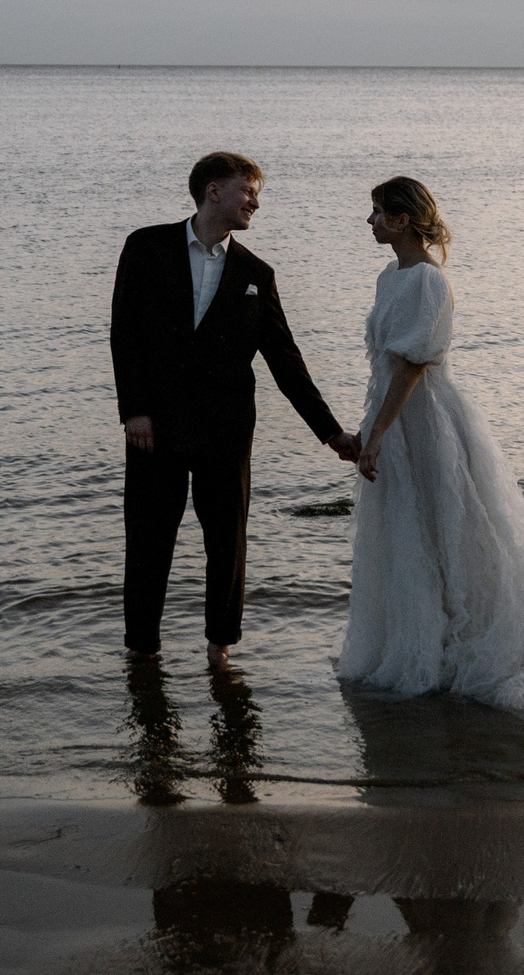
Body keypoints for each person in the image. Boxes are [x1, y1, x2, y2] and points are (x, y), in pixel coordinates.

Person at [339, 175, 524, 710]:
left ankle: (469, 647)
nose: (368, 222)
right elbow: (386, 364)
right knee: (406, 537)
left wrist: (378, 434)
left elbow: (414, 364)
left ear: (402, 220)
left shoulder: (428, 282)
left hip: (426, 419)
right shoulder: (390, 277)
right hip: (391, 415)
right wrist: (372, 429)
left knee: (448, 531)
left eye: (376, 212)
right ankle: (421, 645)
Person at [112, 151, 360, 669]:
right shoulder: (145, 247)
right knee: (149, 538)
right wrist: (134, 411)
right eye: (249, 191)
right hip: (153, 428)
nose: (256, 202)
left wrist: (331, 433)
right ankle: (141, 648)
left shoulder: (255, 272)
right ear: (213, 191)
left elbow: (286, 361)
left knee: (227, 541)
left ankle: (219, 647)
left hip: (226, 433)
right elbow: (125, 336)